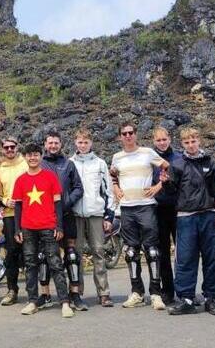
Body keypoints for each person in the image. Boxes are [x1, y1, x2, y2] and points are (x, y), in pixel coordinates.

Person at [165, 128, 215, 316]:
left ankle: (210, 298)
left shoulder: (211, 162)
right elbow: (171, 193)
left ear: (199, 140)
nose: (191, 145)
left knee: (211, 259)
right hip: (185, 218)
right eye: (186, 142)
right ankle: (187, 299)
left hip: (208, 216)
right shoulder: (176, 164)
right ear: (181, 144)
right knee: (185, 259)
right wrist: (166, 183)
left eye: (193, 141)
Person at [110, 122, 170, 310]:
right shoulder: (117, 157)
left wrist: (158, 186)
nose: (128, 136)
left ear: (136, 134)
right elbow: (113, 175)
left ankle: (155, 293)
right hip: (127, 207)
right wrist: (116, 188)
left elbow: (166, 166)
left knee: (152, 250)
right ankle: (137, 292)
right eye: (124, 133)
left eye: (131, 132)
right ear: (120, 136)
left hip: (146, 207)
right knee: (130, 251)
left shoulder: (147, 153)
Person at [12, 143, 74, 318]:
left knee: (55, 263)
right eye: (29, 155)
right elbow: (18, 206)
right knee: (30, 264)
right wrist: (17, 229)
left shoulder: (50, 177)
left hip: (48, 226)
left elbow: (58, 204)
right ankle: (32, 301)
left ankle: (64, 302)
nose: (32, 158)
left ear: (41, 156)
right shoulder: (21, 180)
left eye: (36, 154)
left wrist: (59, 226)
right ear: (25, 157)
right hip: (28, 227)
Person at [39, 131, 85, 310]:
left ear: (61, 144)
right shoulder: (40, 165)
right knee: (44, 256)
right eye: (50, 143)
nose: (53, 146)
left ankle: (74, 294)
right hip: (46, 217)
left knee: (72, 255)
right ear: (45, 144)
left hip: (66, 215)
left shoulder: (69, 164)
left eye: (56, 143)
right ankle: (45, 294)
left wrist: (66, 202)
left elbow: (78, 188)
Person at [70, 128, 115, 308]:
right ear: (75, 143)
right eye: (80, 142)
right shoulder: (70, 163)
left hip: (96, 213)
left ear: (91, 143)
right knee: (76, 254)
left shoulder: (100, 164)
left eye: (86, 142)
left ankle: (103, 293)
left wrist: (109, 216)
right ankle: (77, 292)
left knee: (98, 252)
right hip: (76, 215)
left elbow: (108, 191)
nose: (83, 145)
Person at [0, 136, 29, 306]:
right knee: (12, 253)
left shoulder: (26, 164)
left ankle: (34, 291)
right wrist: (5, 201)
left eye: (12, 147)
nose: (9, 150)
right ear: (2, 149)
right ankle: (12, 290)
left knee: (30, 251)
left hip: (30, 213)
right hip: (9, 216)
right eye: (6, 147)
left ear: (17, 147)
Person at [151, 127, 180, 305]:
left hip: (178, 209)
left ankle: (185, 289)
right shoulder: (150, 160)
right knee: (162, 253)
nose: (162, 142)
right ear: (154, 141)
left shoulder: (179, 158)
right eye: (158, 140)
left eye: (164, 139)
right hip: (158, 210)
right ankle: (167, 290)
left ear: (169, 139)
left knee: (182, 253)